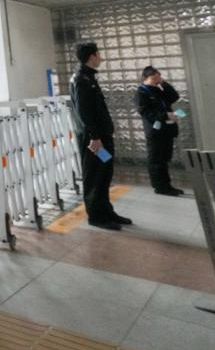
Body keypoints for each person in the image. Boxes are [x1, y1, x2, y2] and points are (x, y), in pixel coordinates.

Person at [69, 42, 132, 230]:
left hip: (101, 137)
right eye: (99, 54)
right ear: (92, 56)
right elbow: (83, 112)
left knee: (104, 174)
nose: (101, 58)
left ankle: (106, 212)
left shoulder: (89, 77)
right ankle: (96, 217)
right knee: (95, 176)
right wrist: (95, 137)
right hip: (94, 140)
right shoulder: (81, 79)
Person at [135, 66, 184, 196]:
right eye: (154, 78)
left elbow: (174, 97)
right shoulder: (141, 93)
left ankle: (167, 185)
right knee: (157, 160)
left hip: (167, 130)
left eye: (158, 77)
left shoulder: (158, 89)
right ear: (145, 78)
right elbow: (146, 113)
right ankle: (160, 187)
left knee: (165, 158)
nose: (156, 80)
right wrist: (166, 115)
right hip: (155, 131)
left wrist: (163, 83)